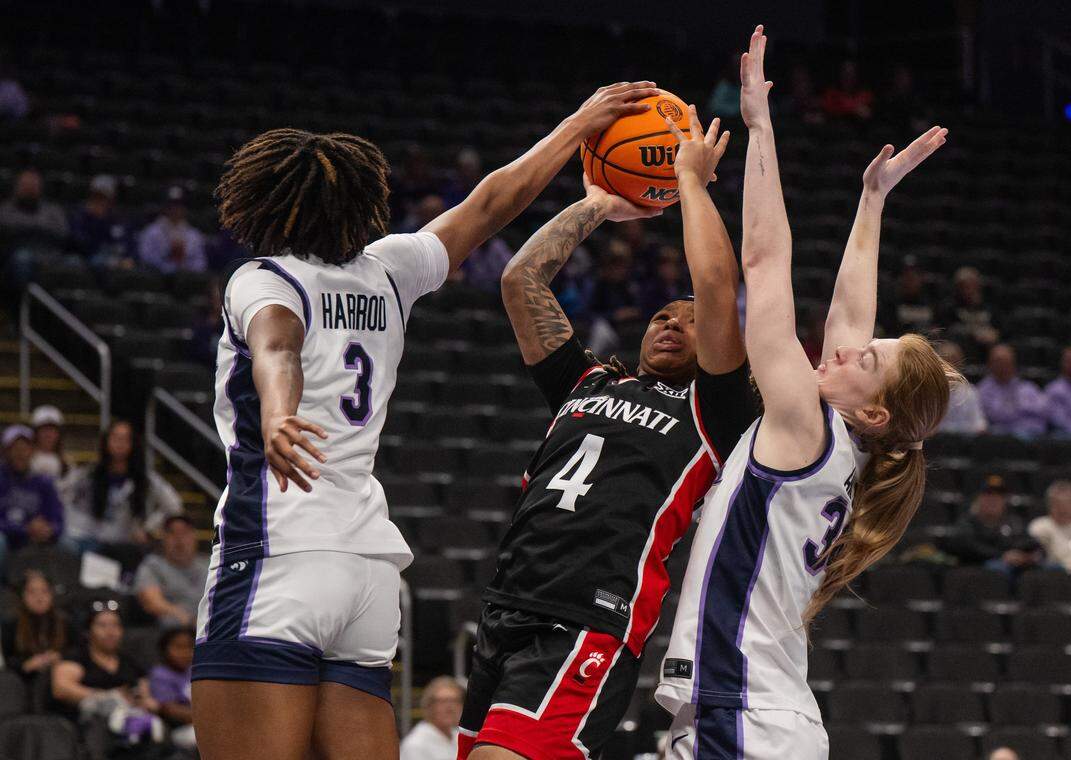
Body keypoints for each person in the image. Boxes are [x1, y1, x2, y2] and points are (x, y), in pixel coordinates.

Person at [189, 82, 662, 760]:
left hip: (277, 556)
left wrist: (278, 412)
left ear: (267, 204)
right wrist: (577, 126)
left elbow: (276, 343)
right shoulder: (388, 270)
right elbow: (490, 204)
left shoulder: (263, 277)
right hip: (368, 572)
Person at [657, 27, 953, 759]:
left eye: (867, 359)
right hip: (765, 714)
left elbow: (763, 260)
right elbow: (851, 315)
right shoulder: (843, 452)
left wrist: (761, 125)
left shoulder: (804, 427)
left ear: (874, 409)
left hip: (743, 711)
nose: (848, 345)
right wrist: (871, 201)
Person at [460, 107, 754, 760]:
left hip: (585, 624)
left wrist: (691, 188)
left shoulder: (713, 413)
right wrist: (596, 203)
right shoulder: (587, 383)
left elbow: (715, 283)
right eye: (661, 314)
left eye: (690, 318)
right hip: (506, 607)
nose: (673, 322)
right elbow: (520, 281)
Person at [60, 419, 182, 564]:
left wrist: (149, 528)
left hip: (123, 546)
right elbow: (61, 494)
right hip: (89, 542)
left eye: (125, 439)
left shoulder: (145, 478)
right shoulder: (89, 474)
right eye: (115, 438)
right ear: (106, 442)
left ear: (132, 444)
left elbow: (174, 504)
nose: (119, 443)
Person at [52, 605, 165, 756]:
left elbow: (146, 696)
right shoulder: (77, 658)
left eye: (115, 625)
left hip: (131, 723)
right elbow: (61, 688)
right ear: (88, 631)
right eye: (102, 625)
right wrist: (109, 696)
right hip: (88, 725)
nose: (110, 631)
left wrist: (146, 702)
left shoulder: (129, 662)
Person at [942, 475, 1043, 574]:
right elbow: (968, 547)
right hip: (979, 572)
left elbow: (1030, 543)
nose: (993, 500)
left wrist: (1023, 556)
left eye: (999, 496)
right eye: (988, 494)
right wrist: (1002, 555)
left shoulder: (1014, 523)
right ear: (979, 498)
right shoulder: (967, 522)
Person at [0, 424, 65, 570]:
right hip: (8, 538)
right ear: (6, 451)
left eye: (25, 448)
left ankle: (62, 591)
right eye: (15, 448)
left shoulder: (44, 482)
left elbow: (58, 520)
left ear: (32, 451)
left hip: (36, 539)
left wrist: (49, 530)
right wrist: (24, 529)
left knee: (68, 546)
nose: (20, 453)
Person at [135, 516, 209, 628]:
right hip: (175, 627)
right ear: (164, 539)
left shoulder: (209, 564)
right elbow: (152, 601)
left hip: (210, 625)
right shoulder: (152, 565)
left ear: (194, 537)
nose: (179, 539)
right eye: (172, 533)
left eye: (185, 532)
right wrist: (187, 619)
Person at [0, 570, 70, 684]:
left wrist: (59, 656)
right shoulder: (11, 623)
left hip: (59, 676)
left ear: (52, 594)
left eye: (44, 591)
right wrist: (27, 664)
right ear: (22, 595)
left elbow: (78, 650)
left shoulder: (65, 621)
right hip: (23, 679)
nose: (39, 597)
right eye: (32, 592)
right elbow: (8, 660)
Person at [977, 344, 1048, 438]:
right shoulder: (983, 390)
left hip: (1029, 438)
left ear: (1014, 364)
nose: (1002, 366)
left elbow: (1043, 413)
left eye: (1006, 362)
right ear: (990, 365)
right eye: (998, 362)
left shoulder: (1028, 388)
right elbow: (996, 416)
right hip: (998, 440)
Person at [137, 186, 207, 273]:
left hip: (186, 282)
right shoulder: (151, 232)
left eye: (179, 205)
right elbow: (145, 258)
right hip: (158, 280)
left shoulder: (194, 235)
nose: (175, 209)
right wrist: (168, 256)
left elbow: (201, 263)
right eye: (171, 205)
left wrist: (185, 267)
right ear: (165, 207)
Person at [149, 627, 197, 753]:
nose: (185, 652)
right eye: (178, 647)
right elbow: (170, 709)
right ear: (165, 649)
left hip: (200, 723)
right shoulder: (160, 674)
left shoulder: (195, 670)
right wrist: (208, 719)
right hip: (178, 730)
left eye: (189, 647)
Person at [939, 266, 1000, 362]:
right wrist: (972, 333)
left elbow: (1000, 329)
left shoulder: (989, 307)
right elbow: (944, 332)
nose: (969, 289)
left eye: (972, 284)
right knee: (948, 352)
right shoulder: (949, 307)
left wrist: (995, 334)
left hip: (986, 348)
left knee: (1001, 353)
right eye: (964, 286)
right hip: (959, 347)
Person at [0, 168, 69, 248]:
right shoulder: (4, 210)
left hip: (50, 251)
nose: (29, 188)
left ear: (40, 187)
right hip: (16, 251)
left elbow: (64, 234)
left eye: (33, 185)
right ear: (17, 186)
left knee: (73, 260)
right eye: (26, 184)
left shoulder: (53, 210)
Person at [399, 676, 464, 760]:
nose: (450, 708)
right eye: (443, 701)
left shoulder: (459, 737)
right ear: (429, 706)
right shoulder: (416, 745)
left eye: (455, 701)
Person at [69, 175, 126, 263]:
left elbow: (119, 243)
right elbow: (78, 241)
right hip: (82, 256)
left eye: (103, 198)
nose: (99, 201)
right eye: (96, 197)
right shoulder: (80, 215)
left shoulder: (116, 218)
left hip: (107, 257)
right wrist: (93, 218)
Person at [936, 341, 987, 434]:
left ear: (960, 365)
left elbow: (979, 425)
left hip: (965, 443)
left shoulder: (970, 391)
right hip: (937, 442)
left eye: (954, 362)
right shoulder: (927, 392)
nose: (950, 367)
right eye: (945, 362)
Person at [880, 255, 937, 337]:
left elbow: (937, 327)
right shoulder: (891, 301)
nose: (910, 281)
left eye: (914, 276)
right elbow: (888, 328)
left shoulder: (931, 299)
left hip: (926, 343)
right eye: (907, 276)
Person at [29, 404, 71, 481]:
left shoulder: (66, 463)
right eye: (44, 430)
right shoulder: (26, 459)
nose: (48, 435)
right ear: (35, 433)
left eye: (52, 430)